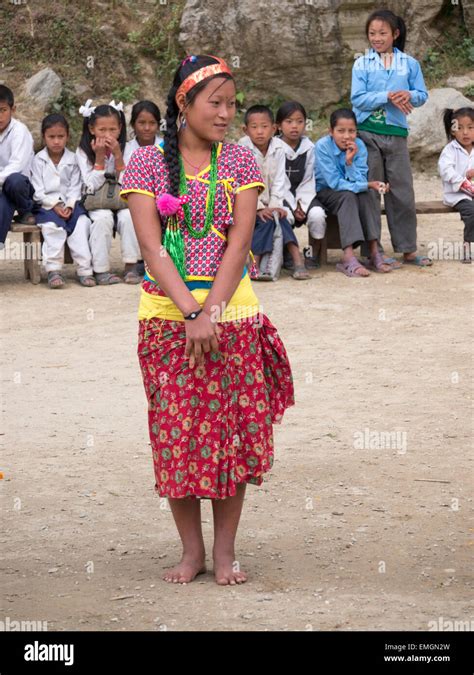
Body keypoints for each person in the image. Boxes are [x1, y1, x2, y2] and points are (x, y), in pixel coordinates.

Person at [120, 55, 295, 585]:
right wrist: (191, 313)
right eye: (214, 103)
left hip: (233, 316)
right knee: (176, 434)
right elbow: (152, 249)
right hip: (167, 317)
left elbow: (239, 243)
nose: (225, 114)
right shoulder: (146, 164)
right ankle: (190, 552)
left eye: (231, 105)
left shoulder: (241, 163)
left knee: (232, 435)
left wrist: (211, 312)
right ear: (183, 104)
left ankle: (225, 552)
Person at [351, 8, 431, 267]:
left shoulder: (409, 64)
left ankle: (408, 249)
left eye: (382, 33)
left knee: (402, 193)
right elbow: (357, 99)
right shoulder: (362, 63)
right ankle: (372, 250)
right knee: (372, 191)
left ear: (395, 34)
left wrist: (408, 95)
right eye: (372, 33)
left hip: (396, 135)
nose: (376, 38)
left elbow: (421, 94)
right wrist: (387, 96)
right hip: (367, 134)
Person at [315, 108, 392, 277]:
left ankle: (373, 252)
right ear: (331, 131)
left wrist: (349, 162)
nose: (347, 136)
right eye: (340, 131)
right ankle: (348, 257)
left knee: (368, 194)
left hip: (348, 191)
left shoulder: (360, 146)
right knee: (349, 195)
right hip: (326, 193)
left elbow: (360, 180)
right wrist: (366, 184)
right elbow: (334, 183)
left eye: (351, 131)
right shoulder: (322, 147)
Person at [238, 105, 311, 280]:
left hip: (272, 200)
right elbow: (244, 182)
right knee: (266, 221)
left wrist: (275, 206)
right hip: (247, 202)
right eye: (254, 127)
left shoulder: (279, 147)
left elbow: (280, 180)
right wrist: (259, 208)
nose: (260, 132)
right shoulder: (242, 148)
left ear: (273, 128)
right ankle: (259, 262)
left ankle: (295, 260)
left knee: (279, 217)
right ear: (245, 130)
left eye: (264, 127)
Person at [76, 100, 142, 284]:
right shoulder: (83, 152)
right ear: (91, 129)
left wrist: (118, 156)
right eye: (102, 130)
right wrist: (99, 158)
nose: (107, 135)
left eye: (112, 130)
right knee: (102, 218)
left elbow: (130, 183)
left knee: (128, 216)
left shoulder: (128, 148)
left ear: (120, 129)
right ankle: (101, 270)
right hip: (97, 201)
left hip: (121, 200)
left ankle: (131, 265)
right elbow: (90, 186)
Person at [31, 113, 94, 288]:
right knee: (52, 228)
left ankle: (84, 269)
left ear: (67, 136)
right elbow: (37, 190)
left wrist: (70, 204)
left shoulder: (73, 159)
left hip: (71, 205)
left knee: (81, 224)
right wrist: (54, 205)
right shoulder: (38, 160)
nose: (56, 141)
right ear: (44, 137)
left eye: (61, 136)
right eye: (51, 137)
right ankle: (53, 270)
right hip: (46, 206)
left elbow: (76, 186)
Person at [276, 100, 326, 268]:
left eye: (299, 121)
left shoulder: (309, 148)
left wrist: (301, 205)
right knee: (285, 215)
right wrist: (292, 205)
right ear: (279, 125)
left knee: (317, 214)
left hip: (306, 194)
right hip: (282, 195)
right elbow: (279, 180)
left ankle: (313, 253)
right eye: (289, 122)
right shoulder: (275, 148)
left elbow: (309, 179)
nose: (294, 126)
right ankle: (289, 255)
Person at [124, 100, 163, 277]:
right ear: (133, 125)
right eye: (141, 123)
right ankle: (134, 264)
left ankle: (161, 262)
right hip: (135, 200)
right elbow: (123, 180)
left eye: (152, 123)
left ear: (158, 124)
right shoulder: (127, 149)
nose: (147, 128)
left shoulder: (165, 146)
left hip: (162, 198)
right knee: (129, 216)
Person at [0, 84, 35, 246]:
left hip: (22, 188)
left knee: (14, 181)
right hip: (3, 190)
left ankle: (25, 209)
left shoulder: (20, 131)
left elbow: (17, 165)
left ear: (13, 109)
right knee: (4, 203)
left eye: (2, 110)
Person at [438, 107, 474, 264]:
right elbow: (446, 171)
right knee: (471, 212)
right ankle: (468, 245)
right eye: (459, 128)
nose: (465, 133)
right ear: (452, 131)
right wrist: (462, 181)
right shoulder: (449, 150)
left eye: (470, 128)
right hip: (458, 195)